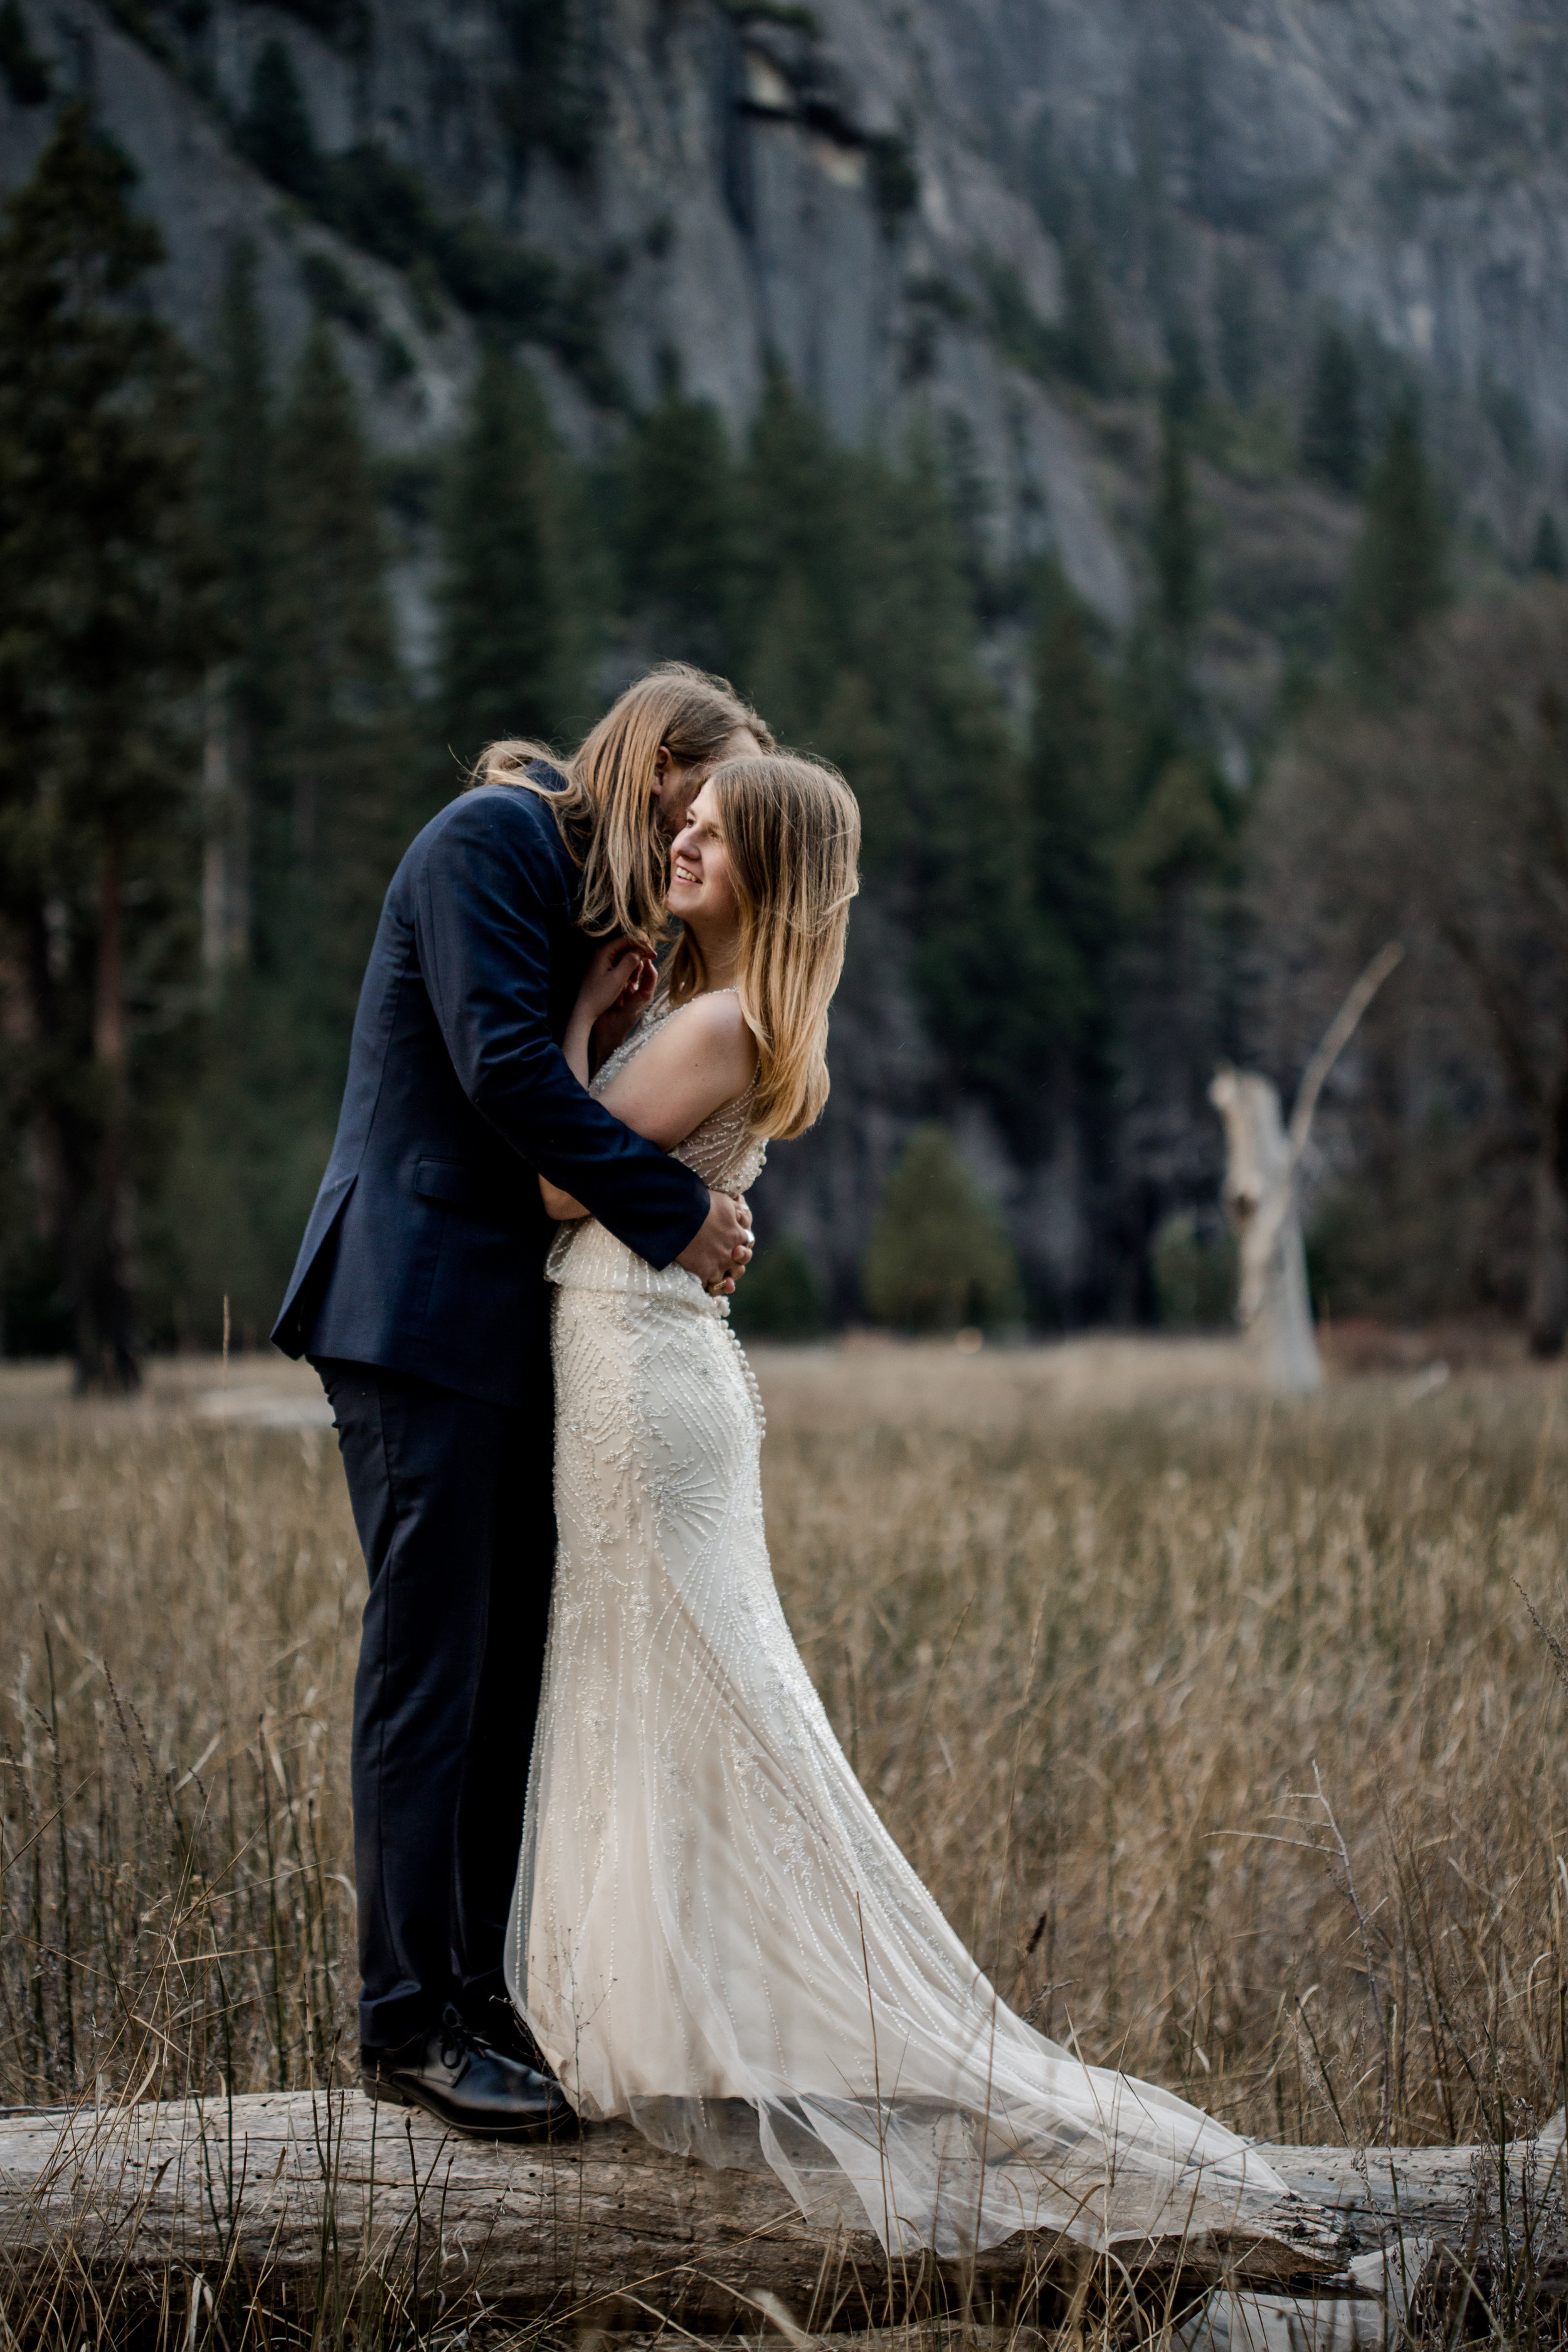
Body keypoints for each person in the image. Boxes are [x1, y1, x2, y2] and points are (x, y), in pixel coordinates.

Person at [507, 750, 1291, 2255]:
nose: (677, 838)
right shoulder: (738, 1016)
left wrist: (571, 1020)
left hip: (638, 1376)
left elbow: (555, 1176)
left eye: (709, 835)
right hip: (656, 1368)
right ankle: (678, 2021)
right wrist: (614, 1016)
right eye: (681, 819)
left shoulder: (723, 1022)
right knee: (669, 1687)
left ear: (769, 875)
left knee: (675, 1691)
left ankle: (689, 2031)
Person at [272, 664, 770, 2141]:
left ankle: (481, 2000)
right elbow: (494, 1068)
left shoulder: (585, 911)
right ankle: (407, 2021)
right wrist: (673, 1210)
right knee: (432, 1665)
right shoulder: (490, 842)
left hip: (508, 1329)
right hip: (412, 1303)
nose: (699, 839)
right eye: (701, 804)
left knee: (504, 1676)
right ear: (658, 765)